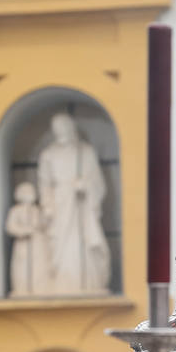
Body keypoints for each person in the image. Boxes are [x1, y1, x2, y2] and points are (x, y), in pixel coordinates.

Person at [36, 113, 110, 295]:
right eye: (56, 127)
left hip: (81, 204)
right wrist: (47, 205)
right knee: (58, 243)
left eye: (63, 126)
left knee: (82, 241)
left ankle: (88, 282)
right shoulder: (48, 155)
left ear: (70, 127)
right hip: (59, 203)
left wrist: (86, 186)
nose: (60, 130)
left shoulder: (85, 152)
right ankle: (60, 283)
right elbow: (44, 184)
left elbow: (97, 182)